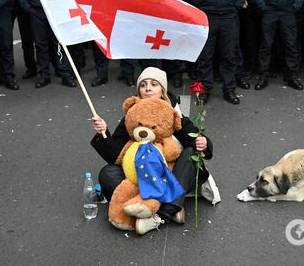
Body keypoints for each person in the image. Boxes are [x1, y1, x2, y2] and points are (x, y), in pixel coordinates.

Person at [90, 67, 216, 235]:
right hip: (141, 175)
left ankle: (160, 214)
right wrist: (103, 132)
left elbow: (192, 137)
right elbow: (115, 155)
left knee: (192, 155)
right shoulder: (133, 112)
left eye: (153, 84)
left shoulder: (171, 111)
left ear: (162, 90)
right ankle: (171, 206)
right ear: (139, 91)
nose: (148, 88)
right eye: (143, 85)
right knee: (107, 173)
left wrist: (203, 143)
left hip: (168, 174)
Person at [183, 0, 250, 104]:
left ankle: (229, 90)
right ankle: (205, 90)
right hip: (207, 16)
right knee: (206, 55)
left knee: (229, 55)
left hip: (229, 16)